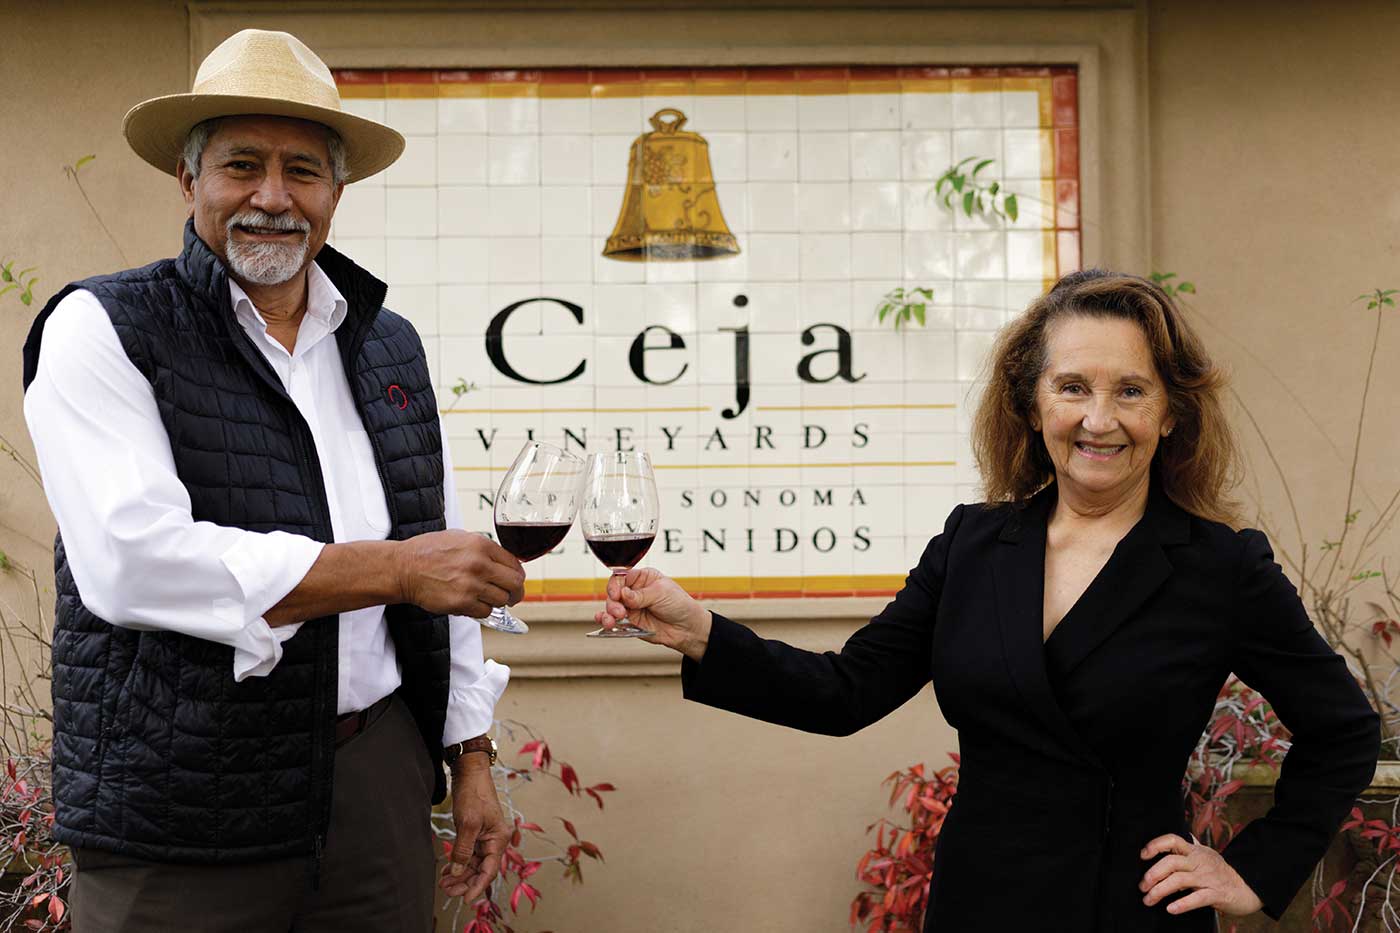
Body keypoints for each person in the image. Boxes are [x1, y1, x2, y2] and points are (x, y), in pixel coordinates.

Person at [596, 270, 1381, 931]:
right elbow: (843, 691)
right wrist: (699, 630)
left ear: (1170, 411)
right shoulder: (973, 545)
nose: (1098, 418)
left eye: (1131, 390)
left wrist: (1254, 868)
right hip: (981, 906)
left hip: (1130, 911)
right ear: (1032, 402)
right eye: (1072, 386)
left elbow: (1342, 728)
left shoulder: (1219, 564)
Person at [20, 29, 524, 931]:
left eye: (302, 170)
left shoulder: (387, 343)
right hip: (178, 809)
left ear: (337, 191)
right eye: (241, 165)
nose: (272, 197)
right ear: (188, 181)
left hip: (374, 791)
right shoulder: (103, 326)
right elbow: (132, 561)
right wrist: (395, 569)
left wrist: (471, 753)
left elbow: (439, 551)